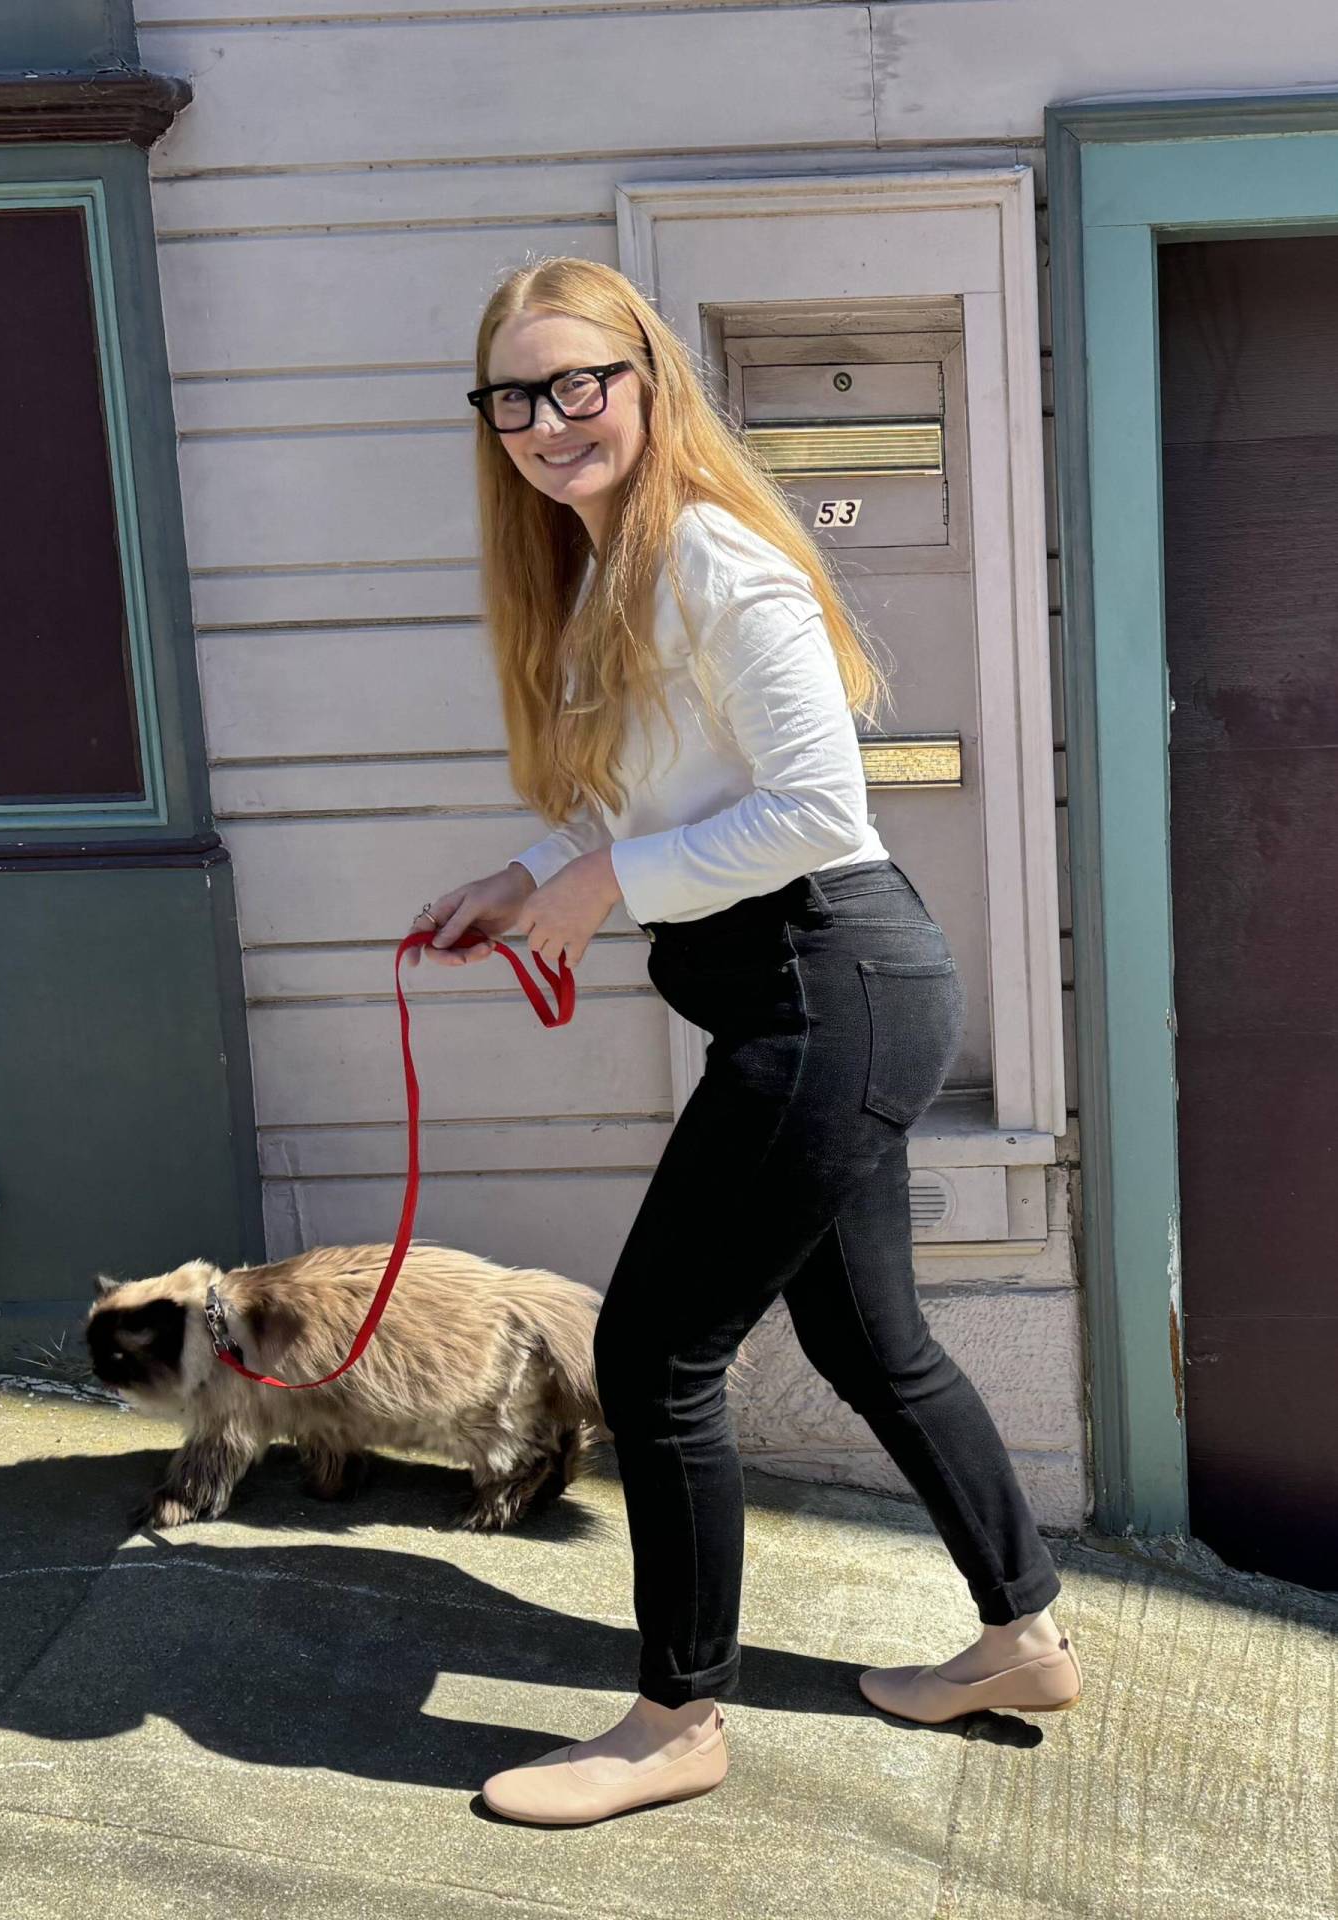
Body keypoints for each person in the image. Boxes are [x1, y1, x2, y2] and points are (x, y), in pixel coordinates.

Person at [412, 258, 1079, 1828]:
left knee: (653, 1350)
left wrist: (599, 885)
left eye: (581, 382)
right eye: (515, 395)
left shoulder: (714, 556)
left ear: (647, 382)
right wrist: (527, 876)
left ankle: (675, 1723)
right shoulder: (600, 574)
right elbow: (652, 787)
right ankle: (1022, 1634)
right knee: (866, 1339)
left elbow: (812, 814)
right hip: (797, 992)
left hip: (823, 984)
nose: (549, 420)